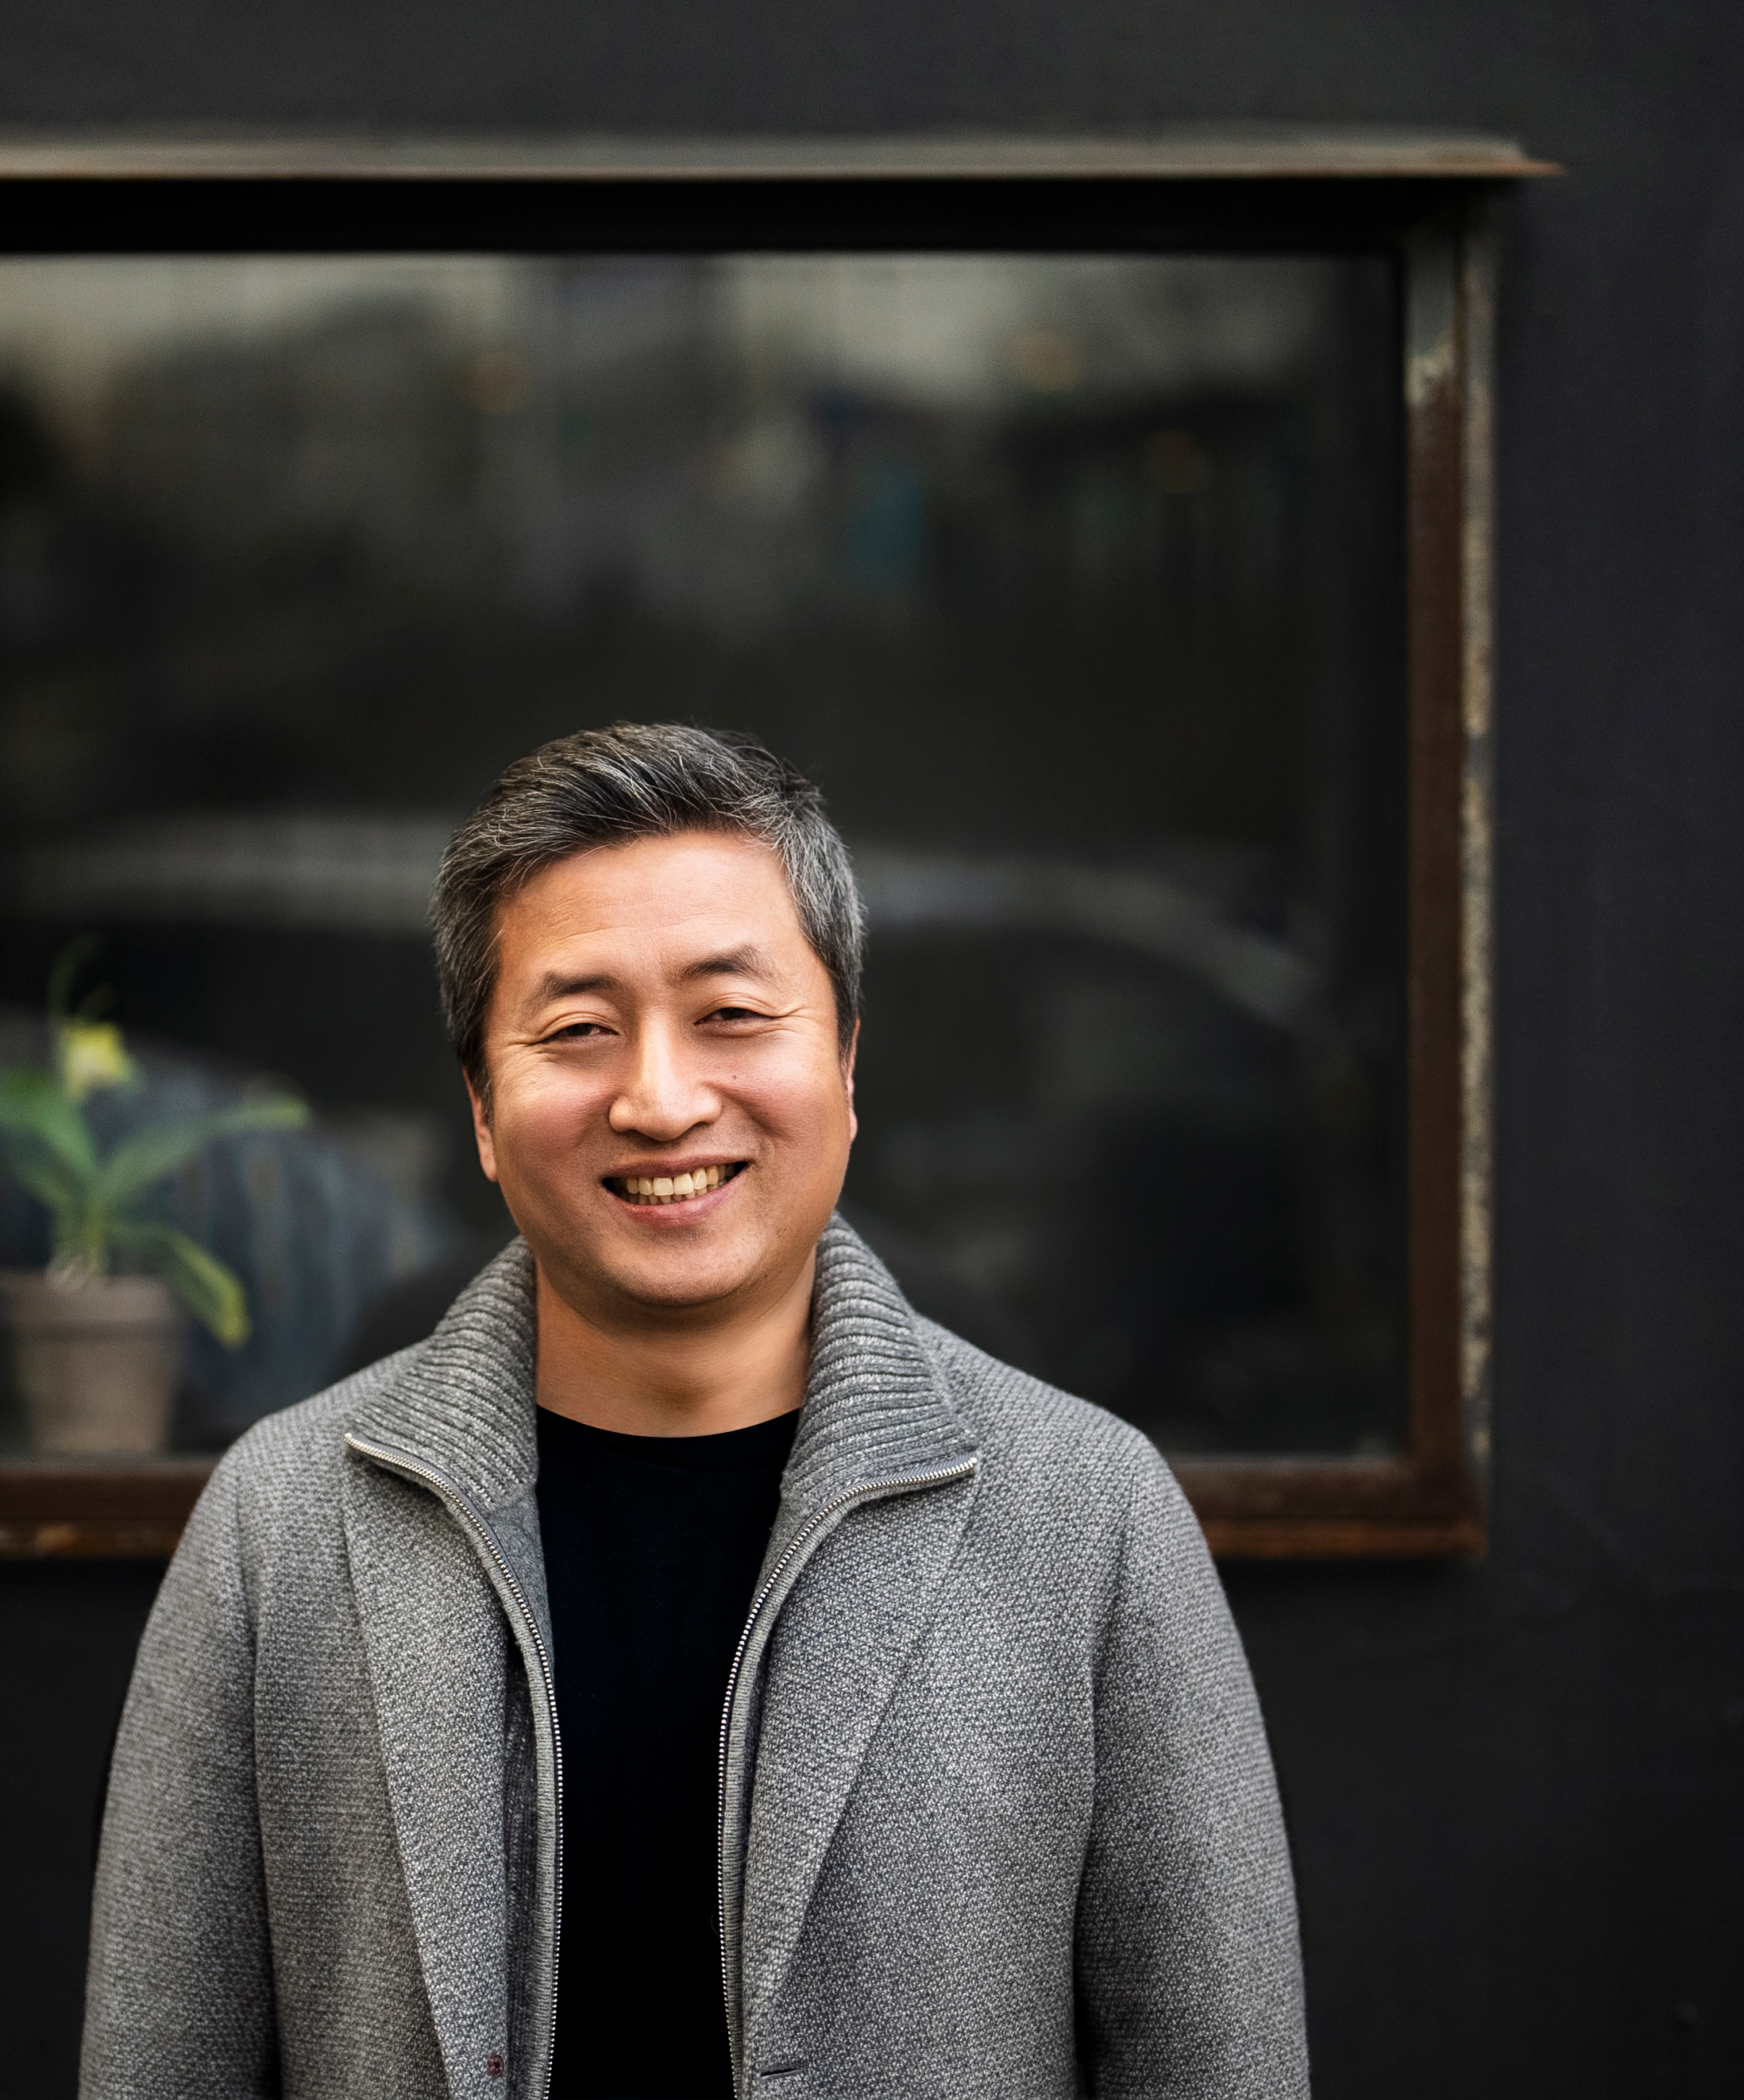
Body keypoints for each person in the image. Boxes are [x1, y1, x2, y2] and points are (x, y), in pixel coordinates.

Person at [79, 724, 1310, 2099]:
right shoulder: (282, 1522)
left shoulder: (1089, 1518)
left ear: (845, 1060)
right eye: (578, 1031)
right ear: (482, 1110)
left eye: (731, 1013)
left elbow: (1222, 2067)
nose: (660, 1099)